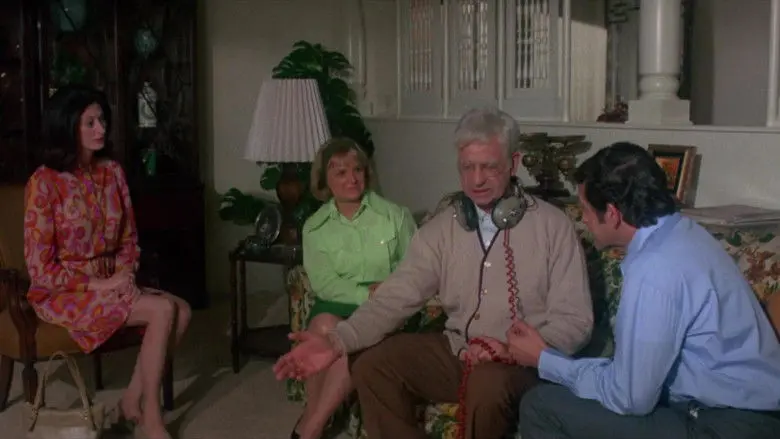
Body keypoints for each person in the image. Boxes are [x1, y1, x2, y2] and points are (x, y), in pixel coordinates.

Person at [274, 107, 594, 439]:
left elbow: (576, 320)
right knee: (371, 365)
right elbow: (395, 297)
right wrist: (335, 342)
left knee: (487, 381)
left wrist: (513, 350)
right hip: (459, 351)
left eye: (488, 167)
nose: (476, 180)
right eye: (467, 167)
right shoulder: (442, 229)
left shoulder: (553, 226)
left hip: (521, 364)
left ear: (513, 164)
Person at [509, 142, 780, 439]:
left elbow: (630, 398)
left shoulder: (655, 268)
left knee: (541, 406)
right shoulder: (683, 230)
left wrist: (545, 360)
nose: (583, 219)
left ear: (612, 213)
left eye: (585, 209)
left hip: (726, 425)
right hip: (739, 412)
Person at [23, 85, 191, 439]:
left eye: (102, 120)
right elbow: (40, 269)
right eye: (90, 122)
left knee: (184, 311)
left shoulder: (112, 172)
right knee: (162, 310)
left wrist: (125, 274)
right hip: (65, 292)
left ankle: (130, 402)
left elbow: (129, 238)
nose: (101, 129)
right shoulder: (44, 183)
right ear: (68, 125)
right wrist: (100, 285)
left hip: (115, 280)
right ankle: (152, 417)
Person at [292, 138, 418, 439]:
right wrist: (365, 293)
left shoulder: (395, 216)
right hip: (339, 302)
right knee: (323, 326)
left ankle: (311, 427)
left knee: (354, 336)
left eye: (357, 170)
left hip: (386, 307)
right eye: (341, 172)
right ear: (324, 180)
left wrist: (384, 292)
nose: (352, 179)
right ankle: (314, 413)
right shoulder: (315, 227)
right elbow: (324, 283)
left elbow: (417, 269)